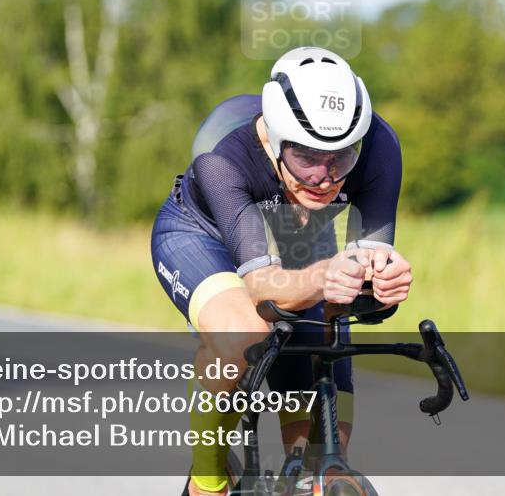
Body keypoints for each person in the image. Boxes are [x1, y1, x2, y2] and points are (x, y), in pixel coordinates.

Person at [150, 46, 412, 496]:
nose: (324, 178)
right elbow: (262, 288)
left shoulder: (379, 147)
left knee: (321, 459)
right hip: (202, 232)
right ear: (274, 137)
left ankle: (306, 471)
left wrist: (381, 284)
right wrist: (323, 277)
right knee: (244, 331)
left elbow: (361, 276)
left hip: (297, 232)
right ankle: (208, 480)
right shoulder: (222, 158)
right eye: (306, 158)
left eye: (340, 158)